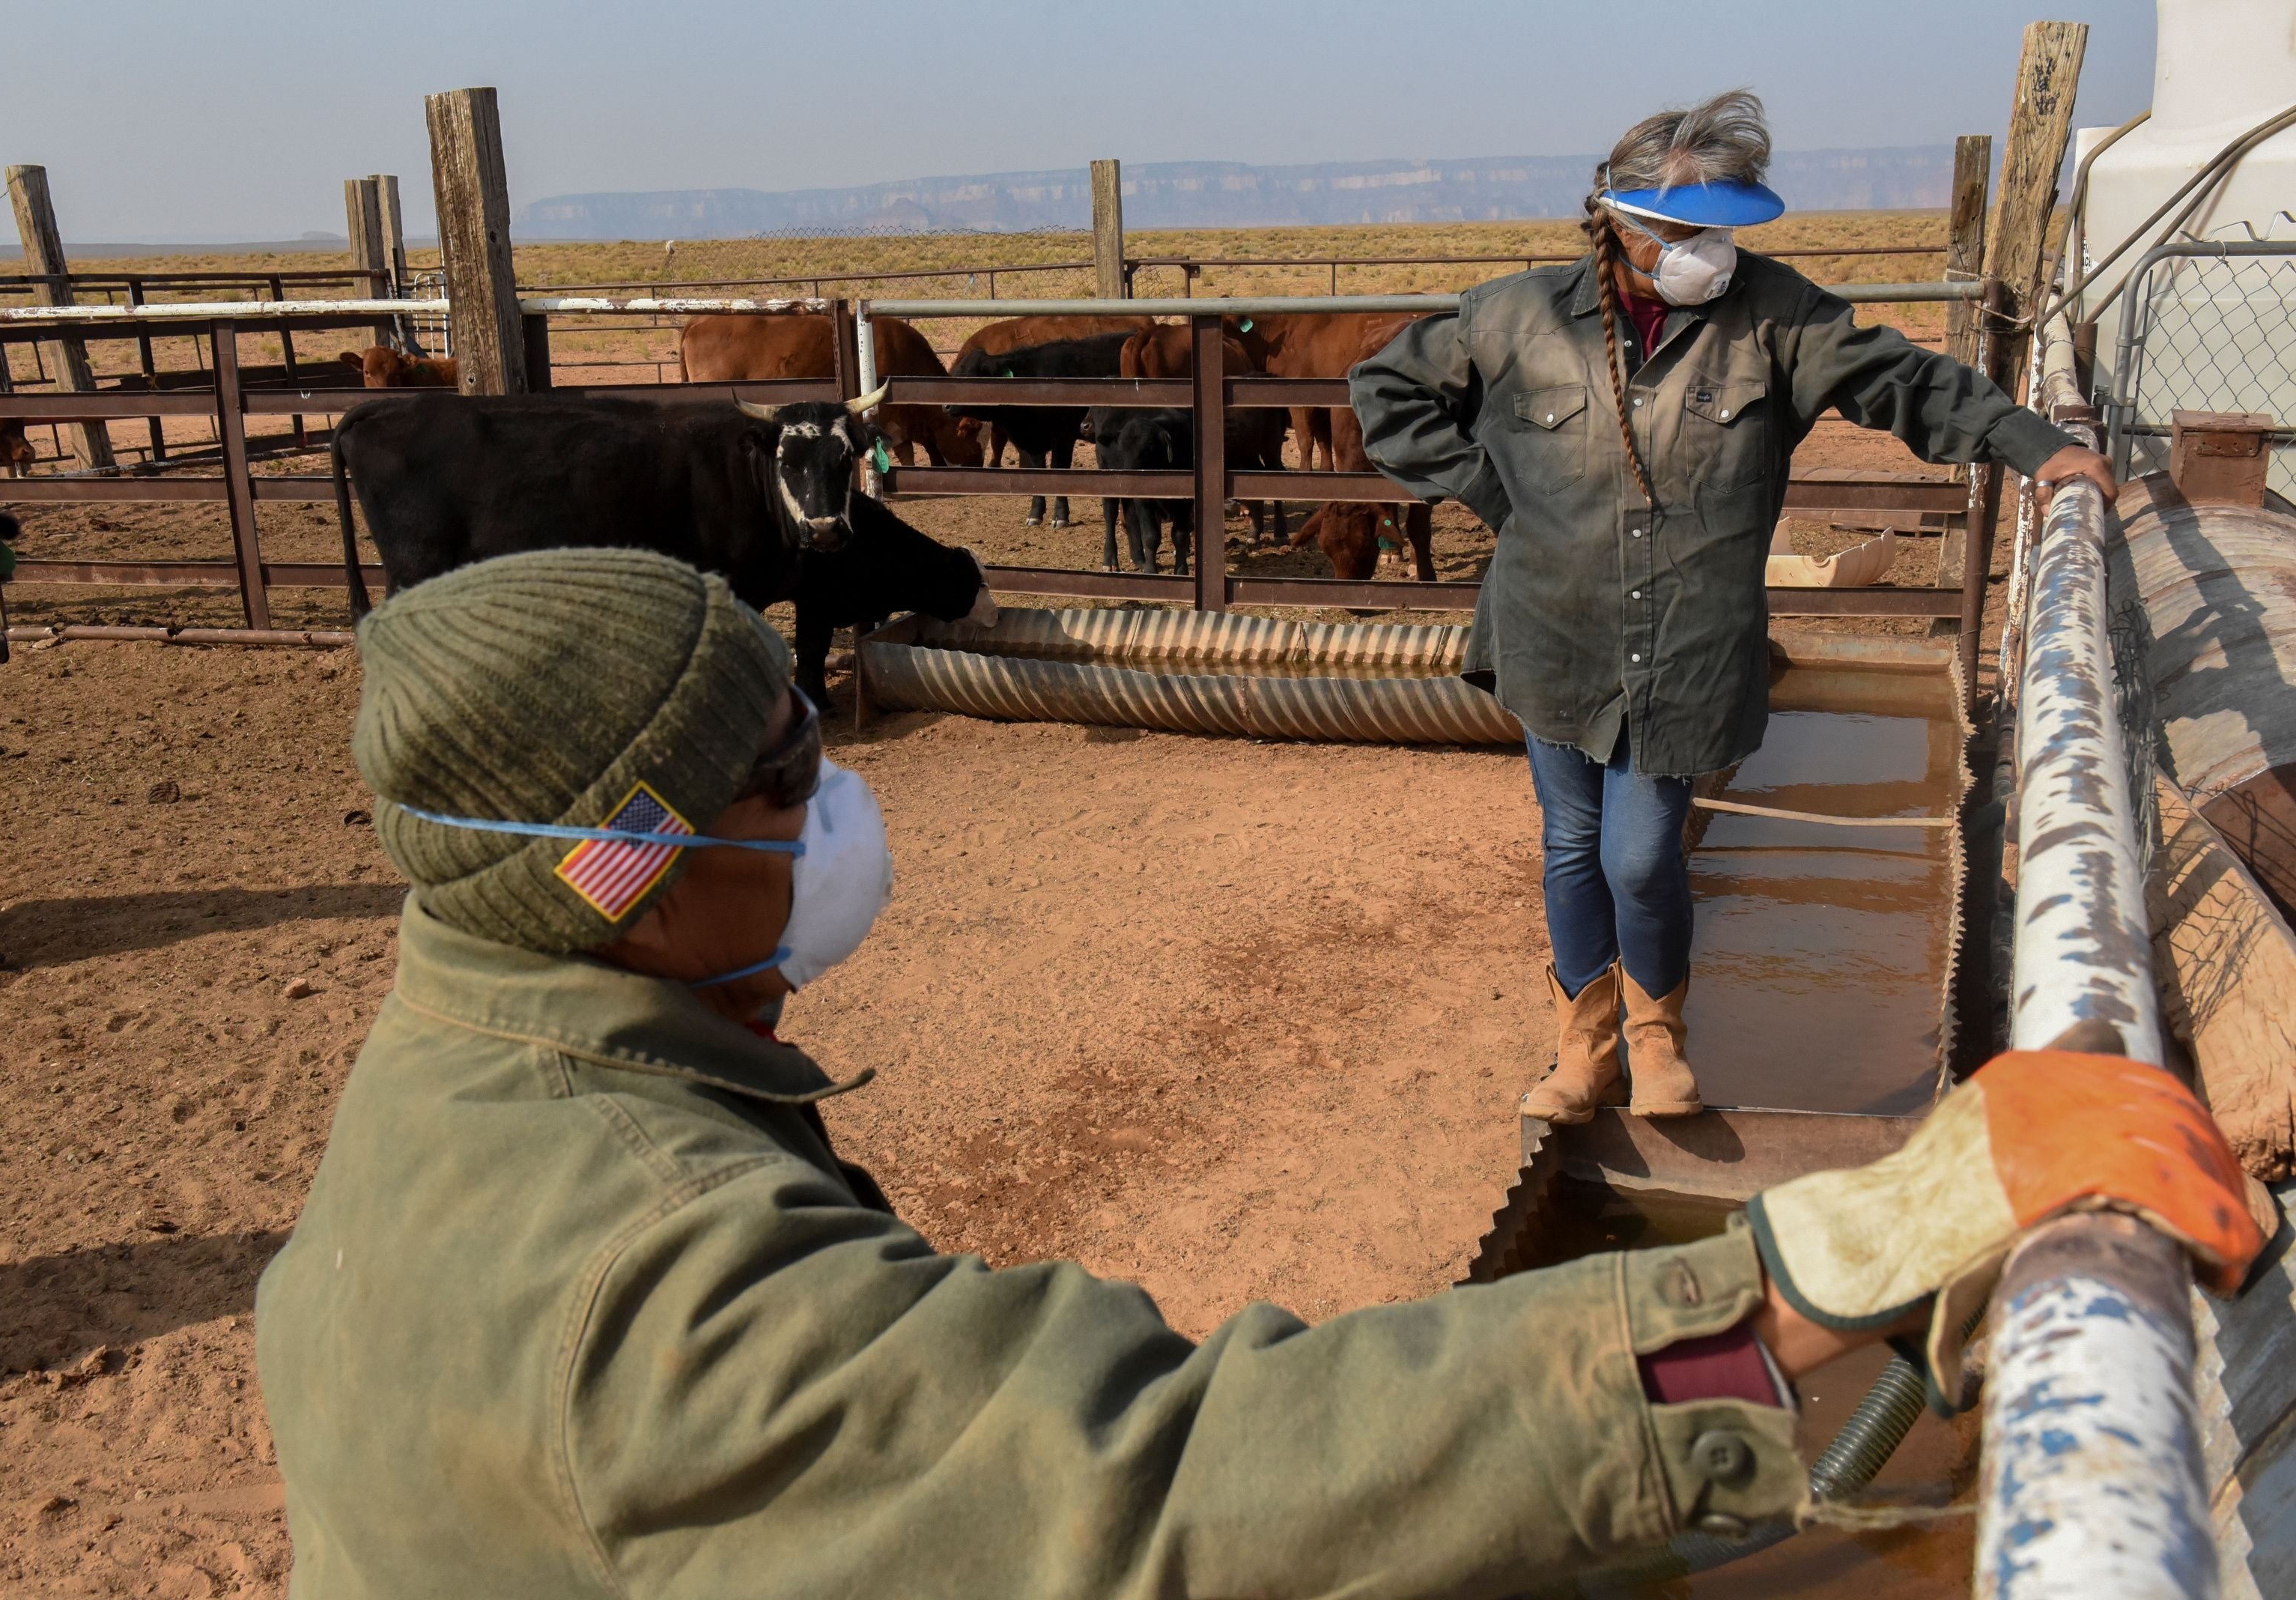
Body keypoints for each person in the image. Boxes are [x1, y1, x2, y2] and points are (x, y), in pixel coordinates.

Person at [255, 549, 2253, 1599]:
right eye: (785, 781)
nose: (841, 801)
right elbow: (1158, 1484)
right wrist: (1826, 1261)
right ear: (630, 861)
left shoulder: (450, 1071)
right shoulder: (647, 1266)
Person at [1350, 92, 2117, 1124]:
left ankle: (1658, 1031)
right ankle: (1585, 1049)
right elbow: (1383, 389)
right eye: (1680, 231)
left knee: (1640, 851)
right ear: (1617, 223)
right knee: (1572, 844)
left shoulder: (1779, 318)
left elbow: (1907, 382)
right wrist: (1496, 490)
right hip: (1551, 634)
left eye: (1717, 228)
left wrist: (2036, 445)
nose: (1704, 251)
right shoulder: (1513, 315)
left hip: (1691, 647)